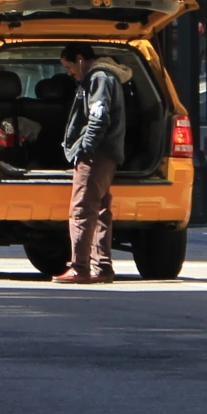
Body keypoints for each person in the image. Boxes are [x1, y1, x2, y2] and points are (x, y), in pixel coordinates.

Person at [56, 43, 125, 283]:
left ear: (80, 59)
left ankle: (79, 267)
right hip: (108, 154)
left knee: (82, 209)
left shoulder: (98, 79)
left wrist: (85, 148)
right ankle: (102, 266)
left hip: (96, 155)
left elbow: (98, 116)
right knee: (101, 209)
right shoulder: (106, 78)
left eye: (69, 67)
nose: (69, 73)